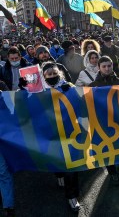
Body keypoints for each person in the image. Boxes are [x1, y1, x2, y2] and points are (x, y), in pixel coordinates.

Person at [40, 61, 81, 212]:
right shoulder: (38, 91)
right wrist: (24, 88)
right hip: (50, 133)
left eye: (54, 74)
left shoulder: (68, 87)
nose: (52, 76)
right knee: (56, 160)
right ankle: (58, 174)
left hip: (69, 132)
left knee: (71, 165)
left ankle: (72, 197)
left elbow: (80, 105)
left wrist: (71, 92)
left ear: (59, 73)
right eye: (48, 74)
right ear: (44, 76)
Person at [89, 56, 119, 185]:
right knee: (107, 150)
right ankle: (112, 173)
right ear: (99, 68)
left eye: (109, 65)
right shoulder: (92, 86)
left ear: (113, 66)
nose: (107, 68)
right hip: (102, 124)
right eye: (104, 66)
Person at [0, 80, 15, 217]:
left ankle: (8, 206)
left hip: (2, 139)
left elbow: (13, 110)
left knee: (3, 173)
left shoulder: (2, 95)